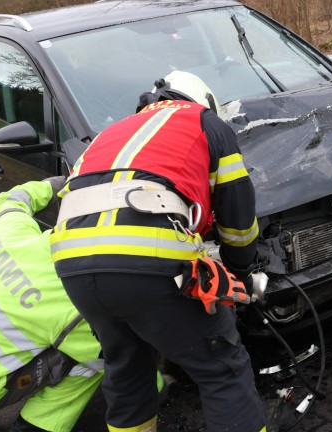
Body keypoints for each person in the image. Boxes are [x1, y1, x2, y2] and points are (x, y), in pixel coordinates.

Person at [50, 70, 266, 432]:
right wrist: (242, 273)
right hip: (149, 262)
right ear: (203, 101)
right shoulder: (205, 122)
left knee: (127, 370)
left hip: (73, 267)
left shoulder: (109, 134)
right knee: (222, 370)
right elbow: (238, 223)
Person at [0, 179, 107, 432]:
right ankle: (33, 427)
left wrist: (58, 184)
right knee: (86, 365)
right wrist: (156, 385)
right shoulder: (74, 305)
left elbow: (9, 201)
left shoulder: (12, 234)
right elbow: (115, 357)